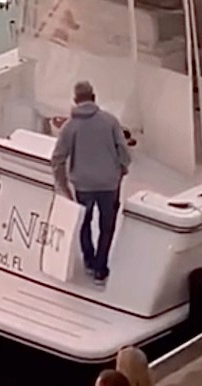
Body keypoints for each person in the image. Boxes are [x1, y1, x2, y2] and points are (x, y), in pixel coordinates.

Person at [51, 79, 131, 283]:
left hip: (83, 185)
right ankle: (100, 268)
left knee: (84, 223)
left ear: (75, 101)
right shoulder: (110, 121)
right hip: (109, 183)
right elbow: (123, 150)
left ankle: (89, 259)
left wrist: (63, 187)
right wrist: (121, 169)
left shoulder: (70, 127)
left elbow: (57, 159)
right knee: (107, 225)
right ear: (94, 98)